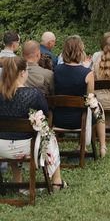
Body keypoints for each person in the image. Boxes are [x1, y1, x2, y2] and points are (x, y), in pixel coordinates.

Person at [0, 57, 65, 189]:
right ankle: (57, 180)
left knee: (10, 134)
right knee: (48, 134)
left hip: (1, 148)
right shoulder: (33, 94)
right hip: (26, 148)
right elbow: (46, 114)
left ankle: (17, 182)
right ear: (23, 73)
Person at [54, 35, 107, 157]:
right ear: (80, 51)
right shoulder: (87, 73)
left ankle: (82, 145)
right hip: (80, 120)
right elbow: (91, 97)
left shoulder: (56, 70)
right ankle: (103, 146)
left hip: (58, 118)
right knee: (98, 109)